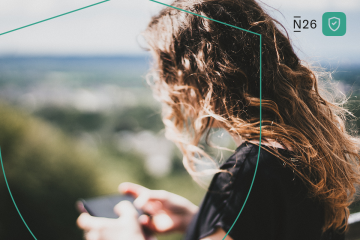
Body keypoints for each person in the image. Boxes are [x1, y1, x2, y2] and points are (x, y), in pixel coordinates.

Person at [77, 0, 360, 239]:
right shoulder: (303, 155)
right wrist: (201, 219)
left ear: (193, 76)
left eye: (163, 66)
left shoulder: (249, 171)